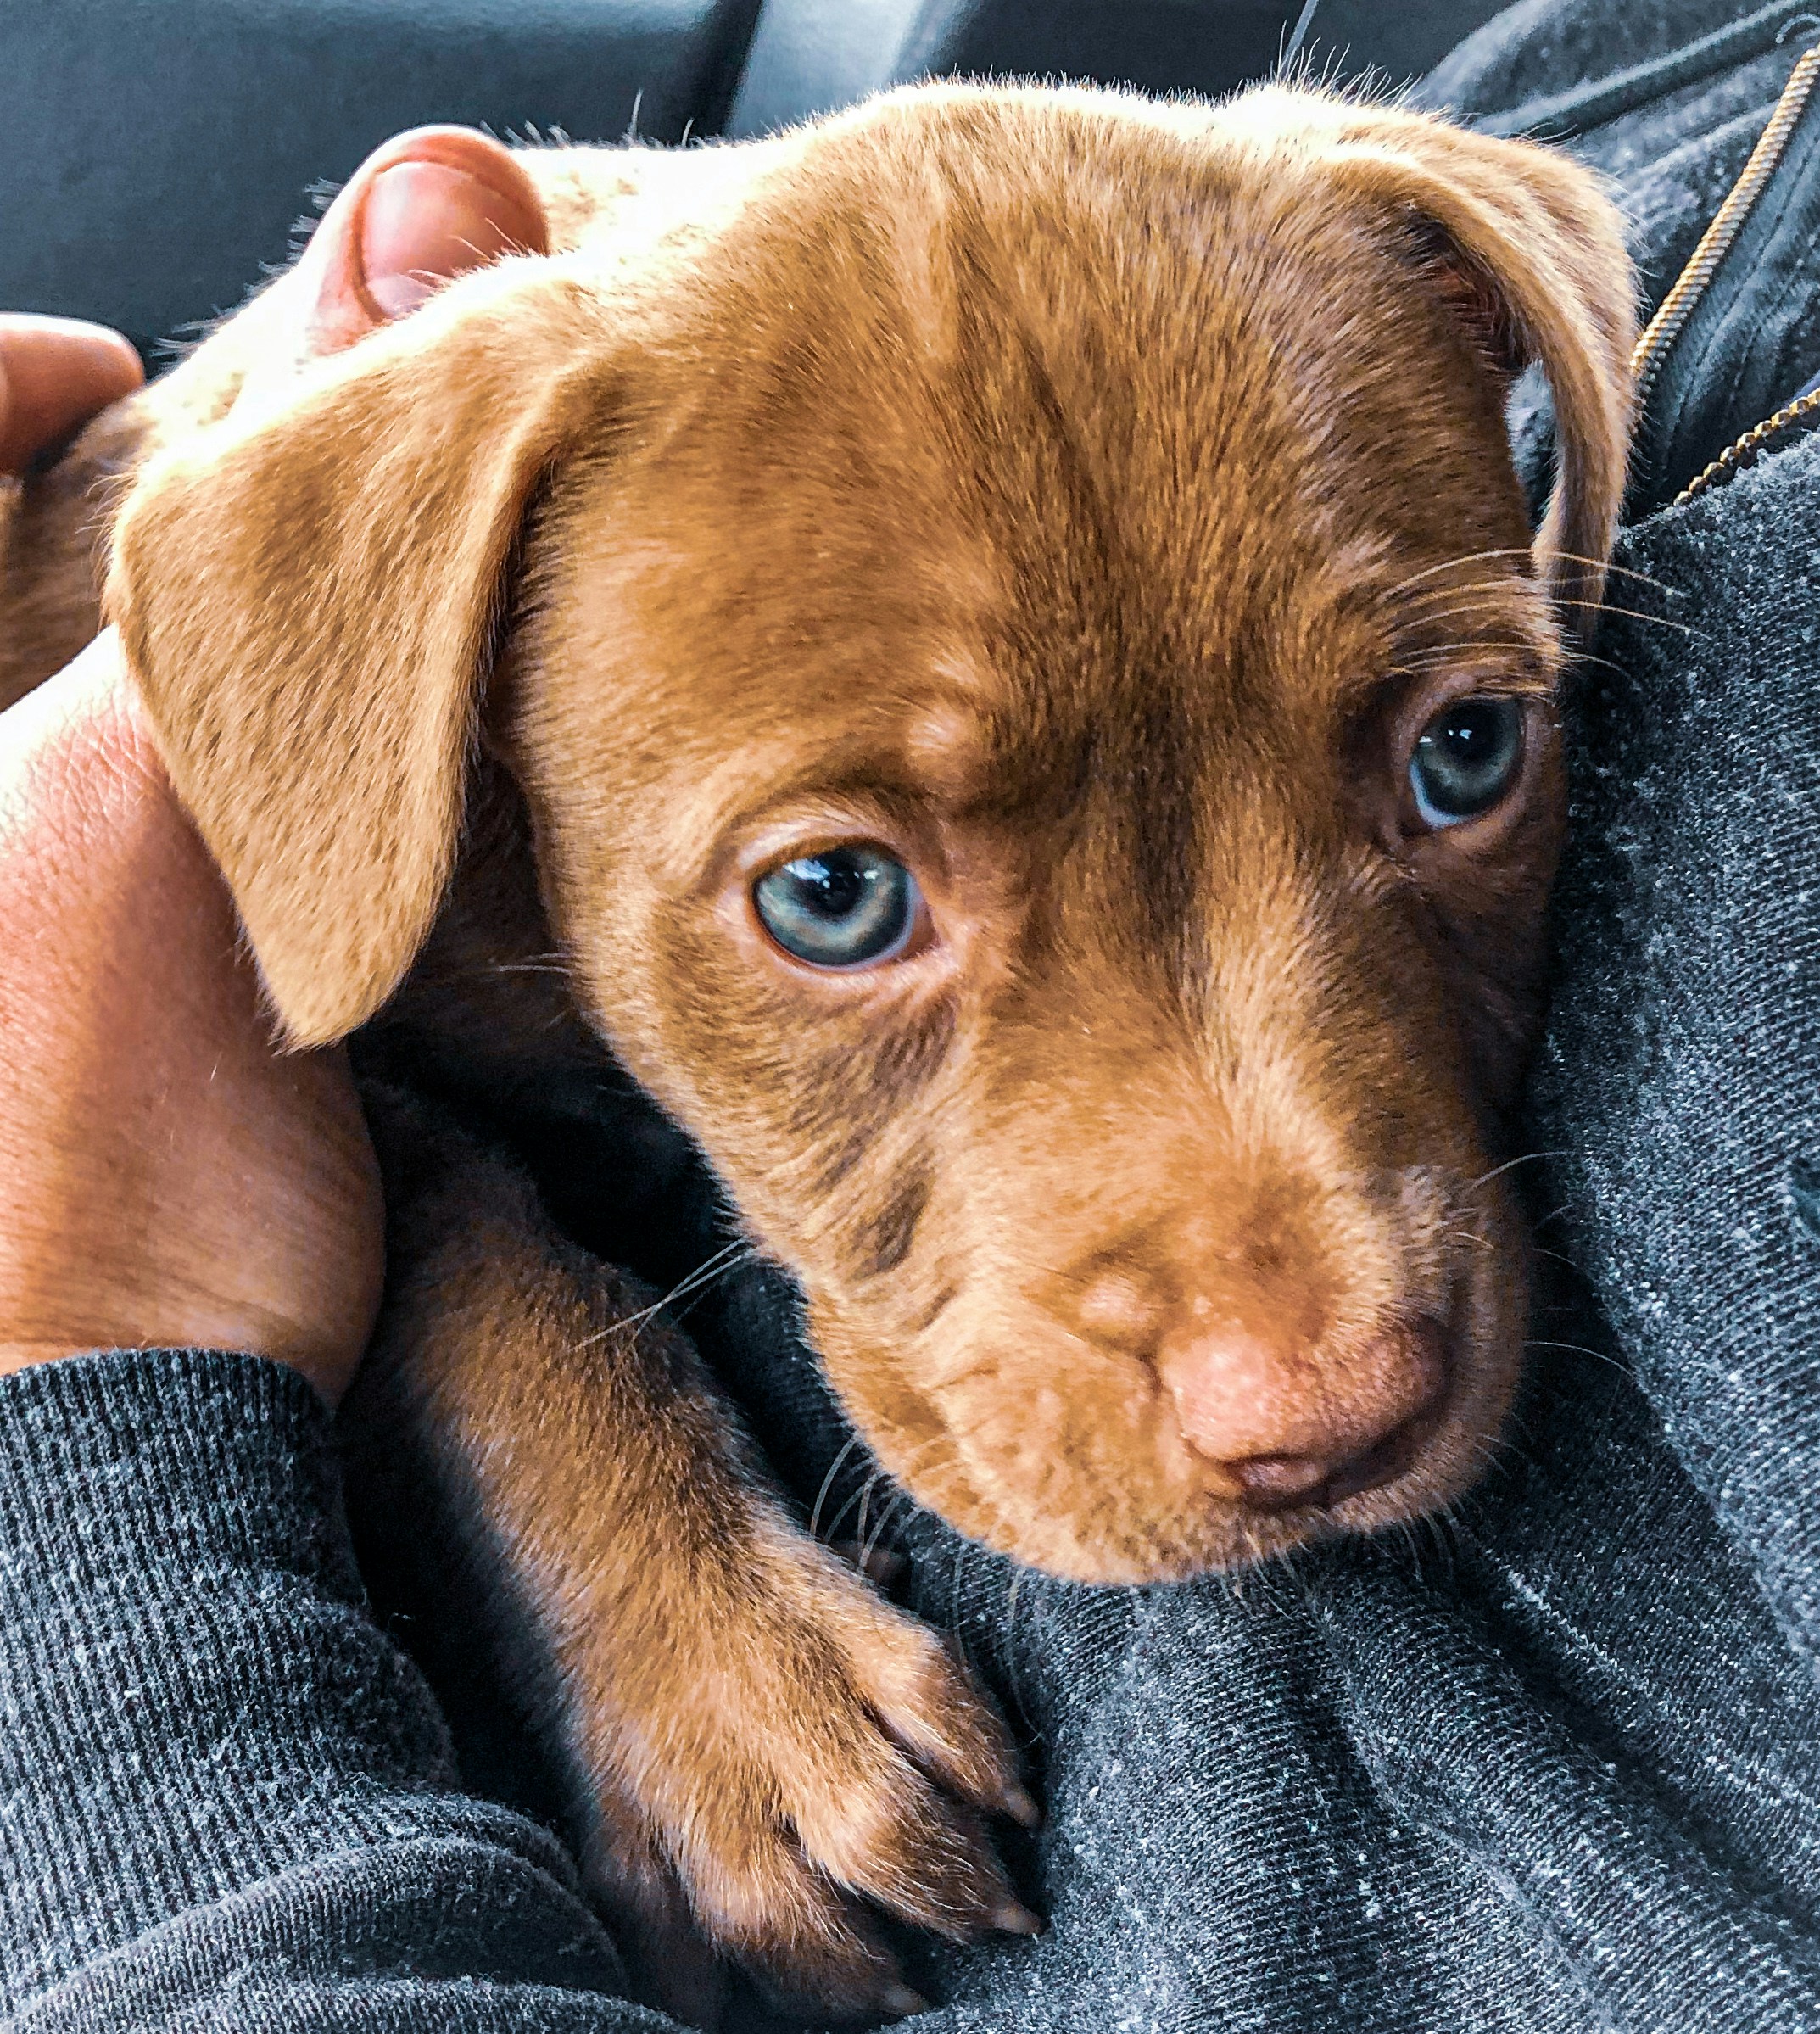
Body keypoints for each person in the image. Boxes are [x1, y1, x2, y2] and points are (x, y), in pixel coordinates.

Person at [4, 3, 1820, 2028]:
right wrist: (555, 1442)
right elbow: (220, 1022)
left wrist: (90, 1366)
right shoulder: (443, 583)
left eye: (1456, 749)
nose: (1314, 1359)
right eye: (839, 891)